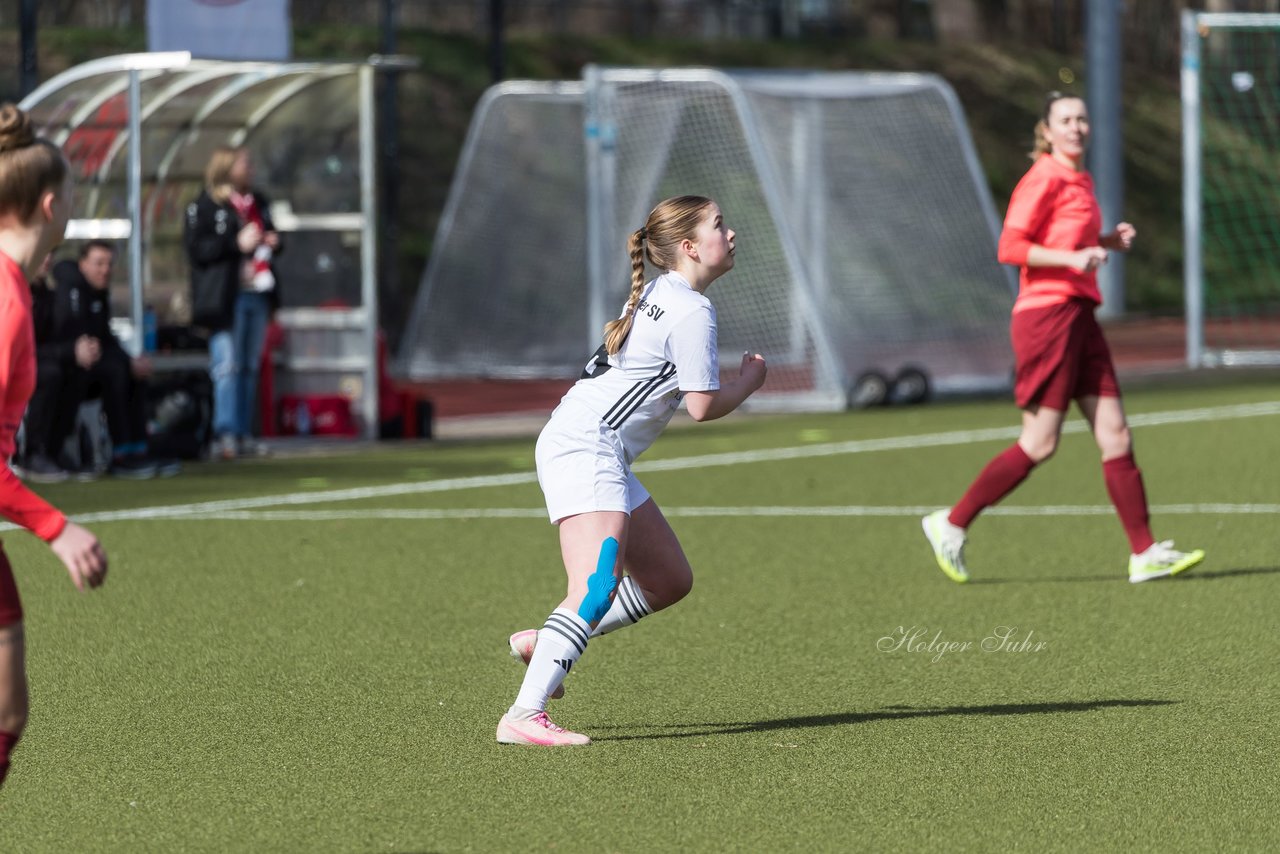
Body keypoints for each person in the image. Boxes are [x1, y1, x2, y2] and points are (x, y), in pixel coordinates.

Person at [497, 195, 767, 746]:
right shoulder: (691, 309)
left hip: (595, 448)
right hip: (586, 446)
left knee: (669, 580)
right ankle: (523, 715)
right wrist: (749, 383)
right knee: (596, 586)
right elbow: (701, 406)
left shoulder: (662, 289)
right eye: (720, 225)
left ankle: (547, 641)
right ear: (690, 247)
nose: (731, 233)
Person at [921, 92, 1204, 585]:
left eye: (1082, 119)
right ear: (1046, 131)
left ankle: (1144, 552)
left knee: (1115, 432)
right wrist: (1074, 261)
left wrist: (1105, 242)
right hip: (1047, 317)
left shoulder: (1080, 179)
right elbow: (1011, 247)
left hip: (1080, 316)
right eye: (1065, 120)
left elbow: (1067, 241)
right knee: (1040, 442)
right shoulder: (1044, 178)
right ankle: (951, 523)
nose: (1076, 127)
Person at [0, 102, 109, 788]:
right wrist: (55, 526)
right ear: (48, 204)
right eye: (70, 197)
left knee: (8, 707)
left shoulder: (16, 289)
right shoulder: (7, 304)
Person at [20, 240, 179, 480]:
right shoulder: (55, 290)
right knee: (60, 373)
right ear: (82, 264)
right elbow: (29, 345)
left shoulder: (61, 292)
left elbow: (101, 338)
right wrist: (71, 351)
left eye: (109, 264)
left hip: (62, 363)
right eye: (98, 263)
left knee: (122, 369)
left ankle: (132, 450)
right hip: (35, 367)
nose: (105, 270)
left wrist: (129, 360)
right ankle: (35, 454)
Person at [183, 146, 281, 461]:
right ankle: (224, 434)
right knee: (226, 365)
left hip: (258, 293)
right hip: (226, 298)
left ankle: (242, 433)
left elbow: (270, 238)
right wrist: (234, 245)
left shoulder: (259, 203)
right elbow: (197, 249)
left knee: (249, 367)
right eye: (245, 163)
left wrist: (274, 242)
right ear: (227, 167)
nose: (251, 169)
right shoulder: (207, 205)